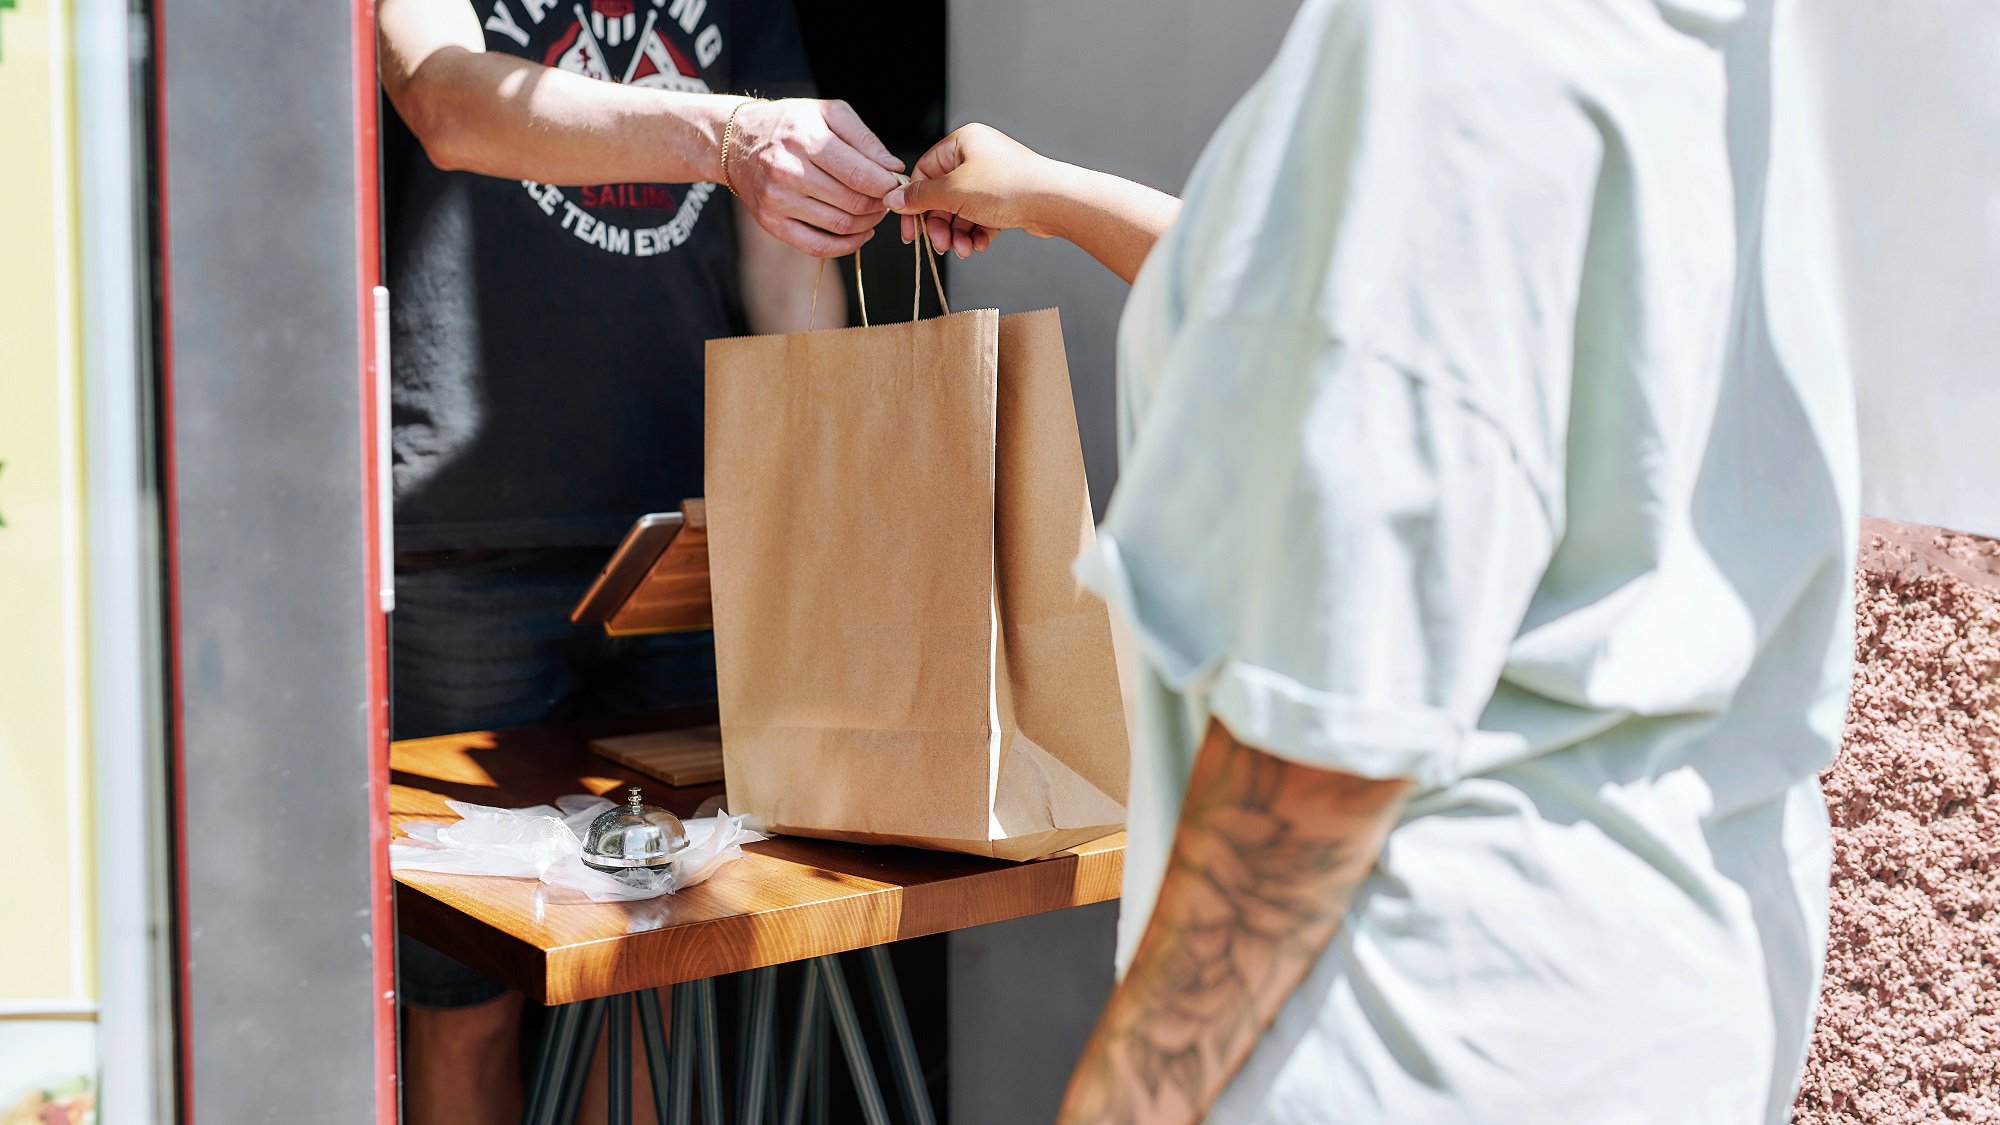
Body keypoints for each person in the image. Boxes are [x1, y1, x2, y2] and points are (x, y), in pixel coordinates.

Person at [890, 0, 1856, 1120]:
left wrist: (1129, 1098)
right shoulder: (1706, 34)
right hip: (1675, 986)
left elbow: (1328, 721)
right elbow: (1369, 324)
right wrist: (1049, 195)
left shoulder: (1442, 36)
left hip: (1415, 1016)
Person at [375, 0, 901, 1119]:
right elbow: (444, 98)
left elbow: (781, 253)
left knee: (651, 983)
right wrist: (725, 138)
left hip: (686, 542)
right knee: (460, 997)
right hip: (460, 536)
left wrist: (833, 518)